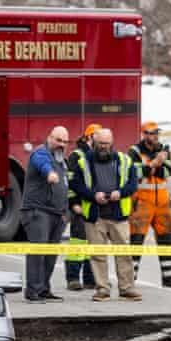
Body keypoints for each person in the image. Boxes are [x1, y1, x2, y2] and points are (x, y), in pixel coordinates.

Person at [70, 128, 141, 302]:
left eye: (106, 144)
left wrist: (121, 192)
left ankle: (127, 288)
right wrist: (93, 195)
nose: (103, 147)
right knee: (97, 255)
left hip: (118, 216)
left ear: (112, 143)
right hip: (95, 216)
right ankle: (102, 289)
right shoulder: (83, 162)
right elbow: (76, 184)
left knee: (124, 254)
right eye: (100, 143)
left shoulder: (125, 161)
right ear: (94, 142)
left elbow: (133, 184)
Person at [128, 122, 171, 288]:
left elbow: (167, 172)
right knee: (136, 241)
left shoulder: (164, 150)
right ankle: (130, 279)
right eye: (151, 133)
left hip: (162, 203)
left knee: (167, 239)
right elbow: (134, 172)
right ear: (144, 134)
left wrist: (151, 167)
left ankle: (169, 278)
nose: (155, 136)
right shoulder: (134, 151)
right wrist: (154, 164)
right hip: (141, 203)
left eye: (156, 133)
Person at [21, 126, 70, 303]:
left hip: (57, 214)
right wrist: (49, 173)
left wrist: (66, 212)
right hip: (38, 211)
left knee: (51, 254)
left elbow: (64, 187)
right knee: (38, 251)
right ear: (49, 138)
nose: (61, 144)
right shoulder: (40, 154)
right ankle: (33, 290)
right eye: (58, 140)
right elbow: (44, 166)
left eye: (65, 142)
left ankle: (43, 289)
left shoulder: (62, 161)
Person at [64, 123, 99, 290]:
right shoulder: (77, 156)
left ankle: (90, 279)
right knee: (78, 243)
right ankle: (72, 278)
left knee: (93, 244)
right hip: (81, 207)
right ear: (89, 137)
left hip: (95, 208)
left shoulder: (99, 156)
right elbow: (70, 183)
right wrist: (74, 204)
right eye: (97, 137)